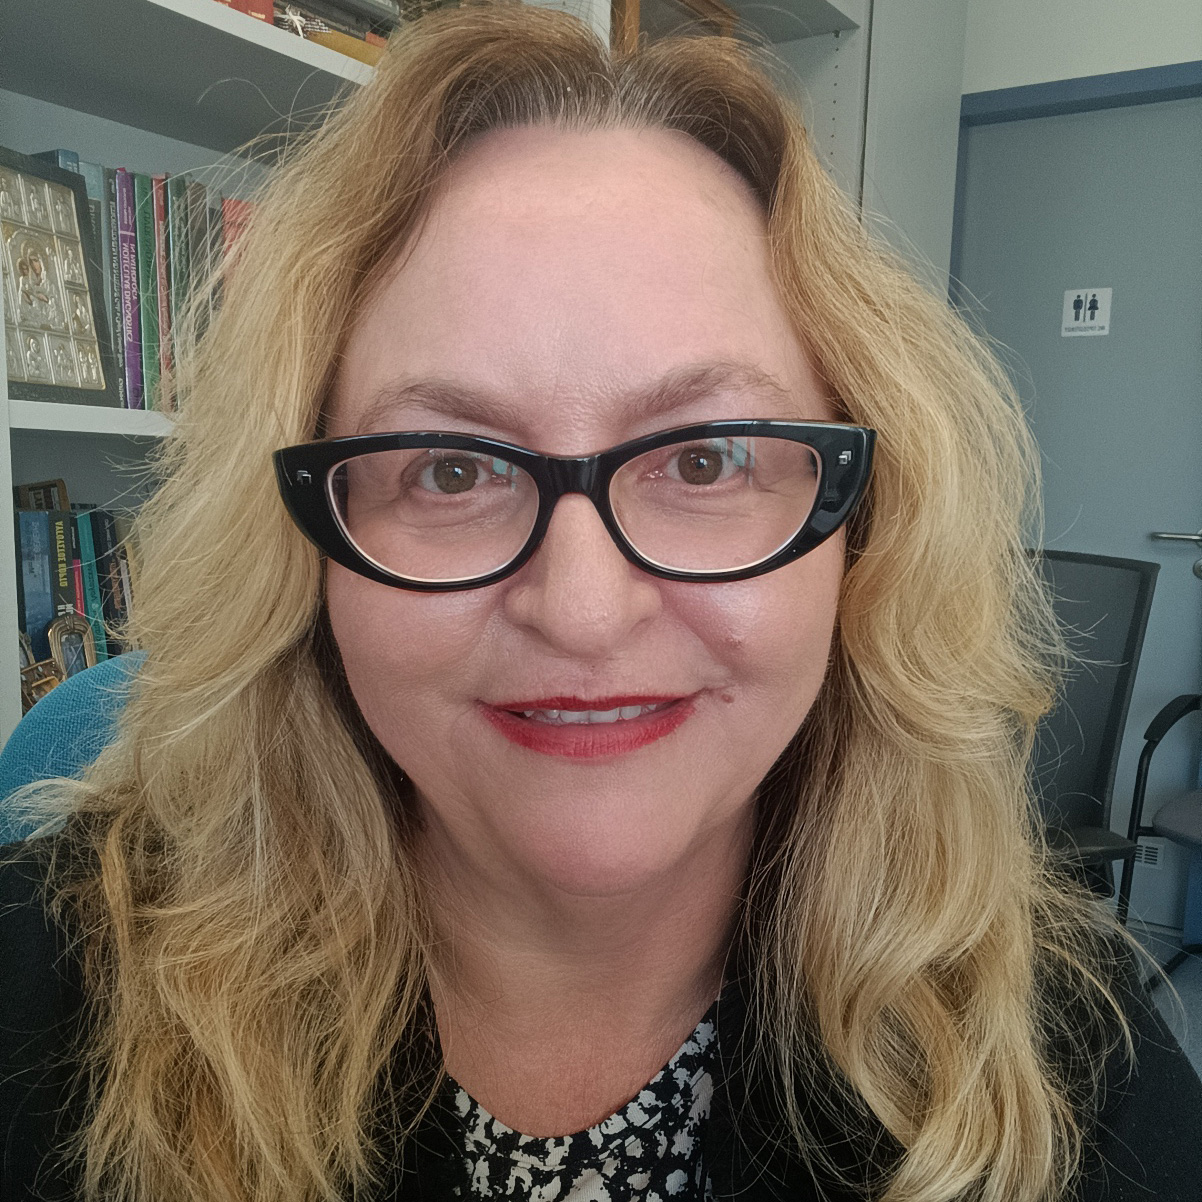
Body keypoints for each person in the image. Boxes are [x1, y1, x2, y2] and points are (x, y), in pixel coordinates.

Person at [2, 5, 1200, 1201]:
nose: (580, 611)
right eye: (450, 469)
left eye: (704, 459)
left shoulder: (1070, 1072)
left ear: (862, 531)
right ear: (302, 548)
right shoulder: (44, 1000)